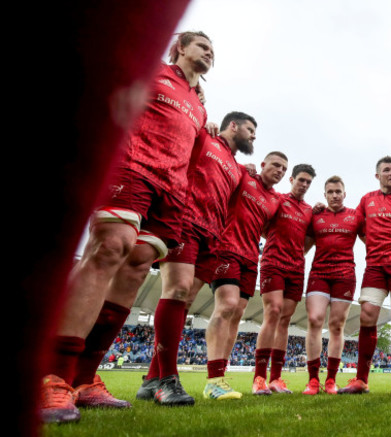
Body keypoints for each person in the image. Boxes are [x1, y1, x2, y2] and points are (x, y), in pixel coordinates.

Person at [40, 30, 213, 424]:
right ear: (180, 48)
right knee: (110, 247)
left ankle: (85, 379)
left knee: (135, 268)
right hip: (132, 168)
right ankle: (53, 374)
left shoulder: (199, 107)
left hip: (171, 190)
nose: (209, 53)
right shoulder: (151, 71)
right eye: (202, 45)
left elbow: (192, 156)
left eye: (213, 50)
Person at [135, 111, 257, 406]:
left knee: (186, 300)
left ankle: (151, 380)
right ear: (233, 125)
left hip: (212, 235)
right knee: (175, 290)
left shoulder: (237, 169)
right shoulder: (205, 137)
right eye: (250, 130)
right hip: (185, 220)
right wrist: (202, 125)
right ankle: (167, 380)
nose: (253, 136)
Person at [202, 151, 288, 399]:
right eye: (275, 165)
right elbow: (221, 167)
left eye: (284, 168)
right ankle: (213, 380)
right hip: (226, 248)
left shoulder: (275, 200)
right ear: (262, 164)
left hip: (251, 258)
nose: (280, 171)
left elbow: (267, 227)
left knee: (237, 313)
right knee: (226, 306)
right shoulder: (243, 175)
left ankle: (221, 376)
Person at [338, 156, 391, 395]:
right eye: (387, 170)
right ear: (377, 175)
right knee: (367, 315)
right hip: (375, 266)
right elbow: (353, 226)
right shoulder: (367, 200)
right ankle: (361, 380)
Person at [253, 164, 316, 395]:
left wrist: (297, 253)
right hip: (273, 263)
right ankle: (259, 377)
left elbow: (308, 239)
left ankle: (276, 379)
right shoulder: (278, 199)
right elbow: (261, 224)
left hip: (296, 268)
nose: (304, 185)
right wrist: (275, 242)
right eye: (301, 180)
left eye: (309, 182)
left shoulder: (310, 210)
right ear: (291, 179)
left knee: (285, 319)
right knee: (273, 311)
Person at [301, 176, 364, 395]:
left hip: (345, 275)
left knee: (336, 326)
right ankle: (312, 380)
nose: (335, 195)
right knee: (315, 319)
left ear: (344, 194)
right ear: (324, 195)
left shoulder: (356, 216)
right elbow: (303, 248)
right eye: (330, 192)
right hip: (319, 273)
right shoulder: (315, 216)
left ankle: (330, 380)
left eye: (338, 191)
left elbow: (371, 240)